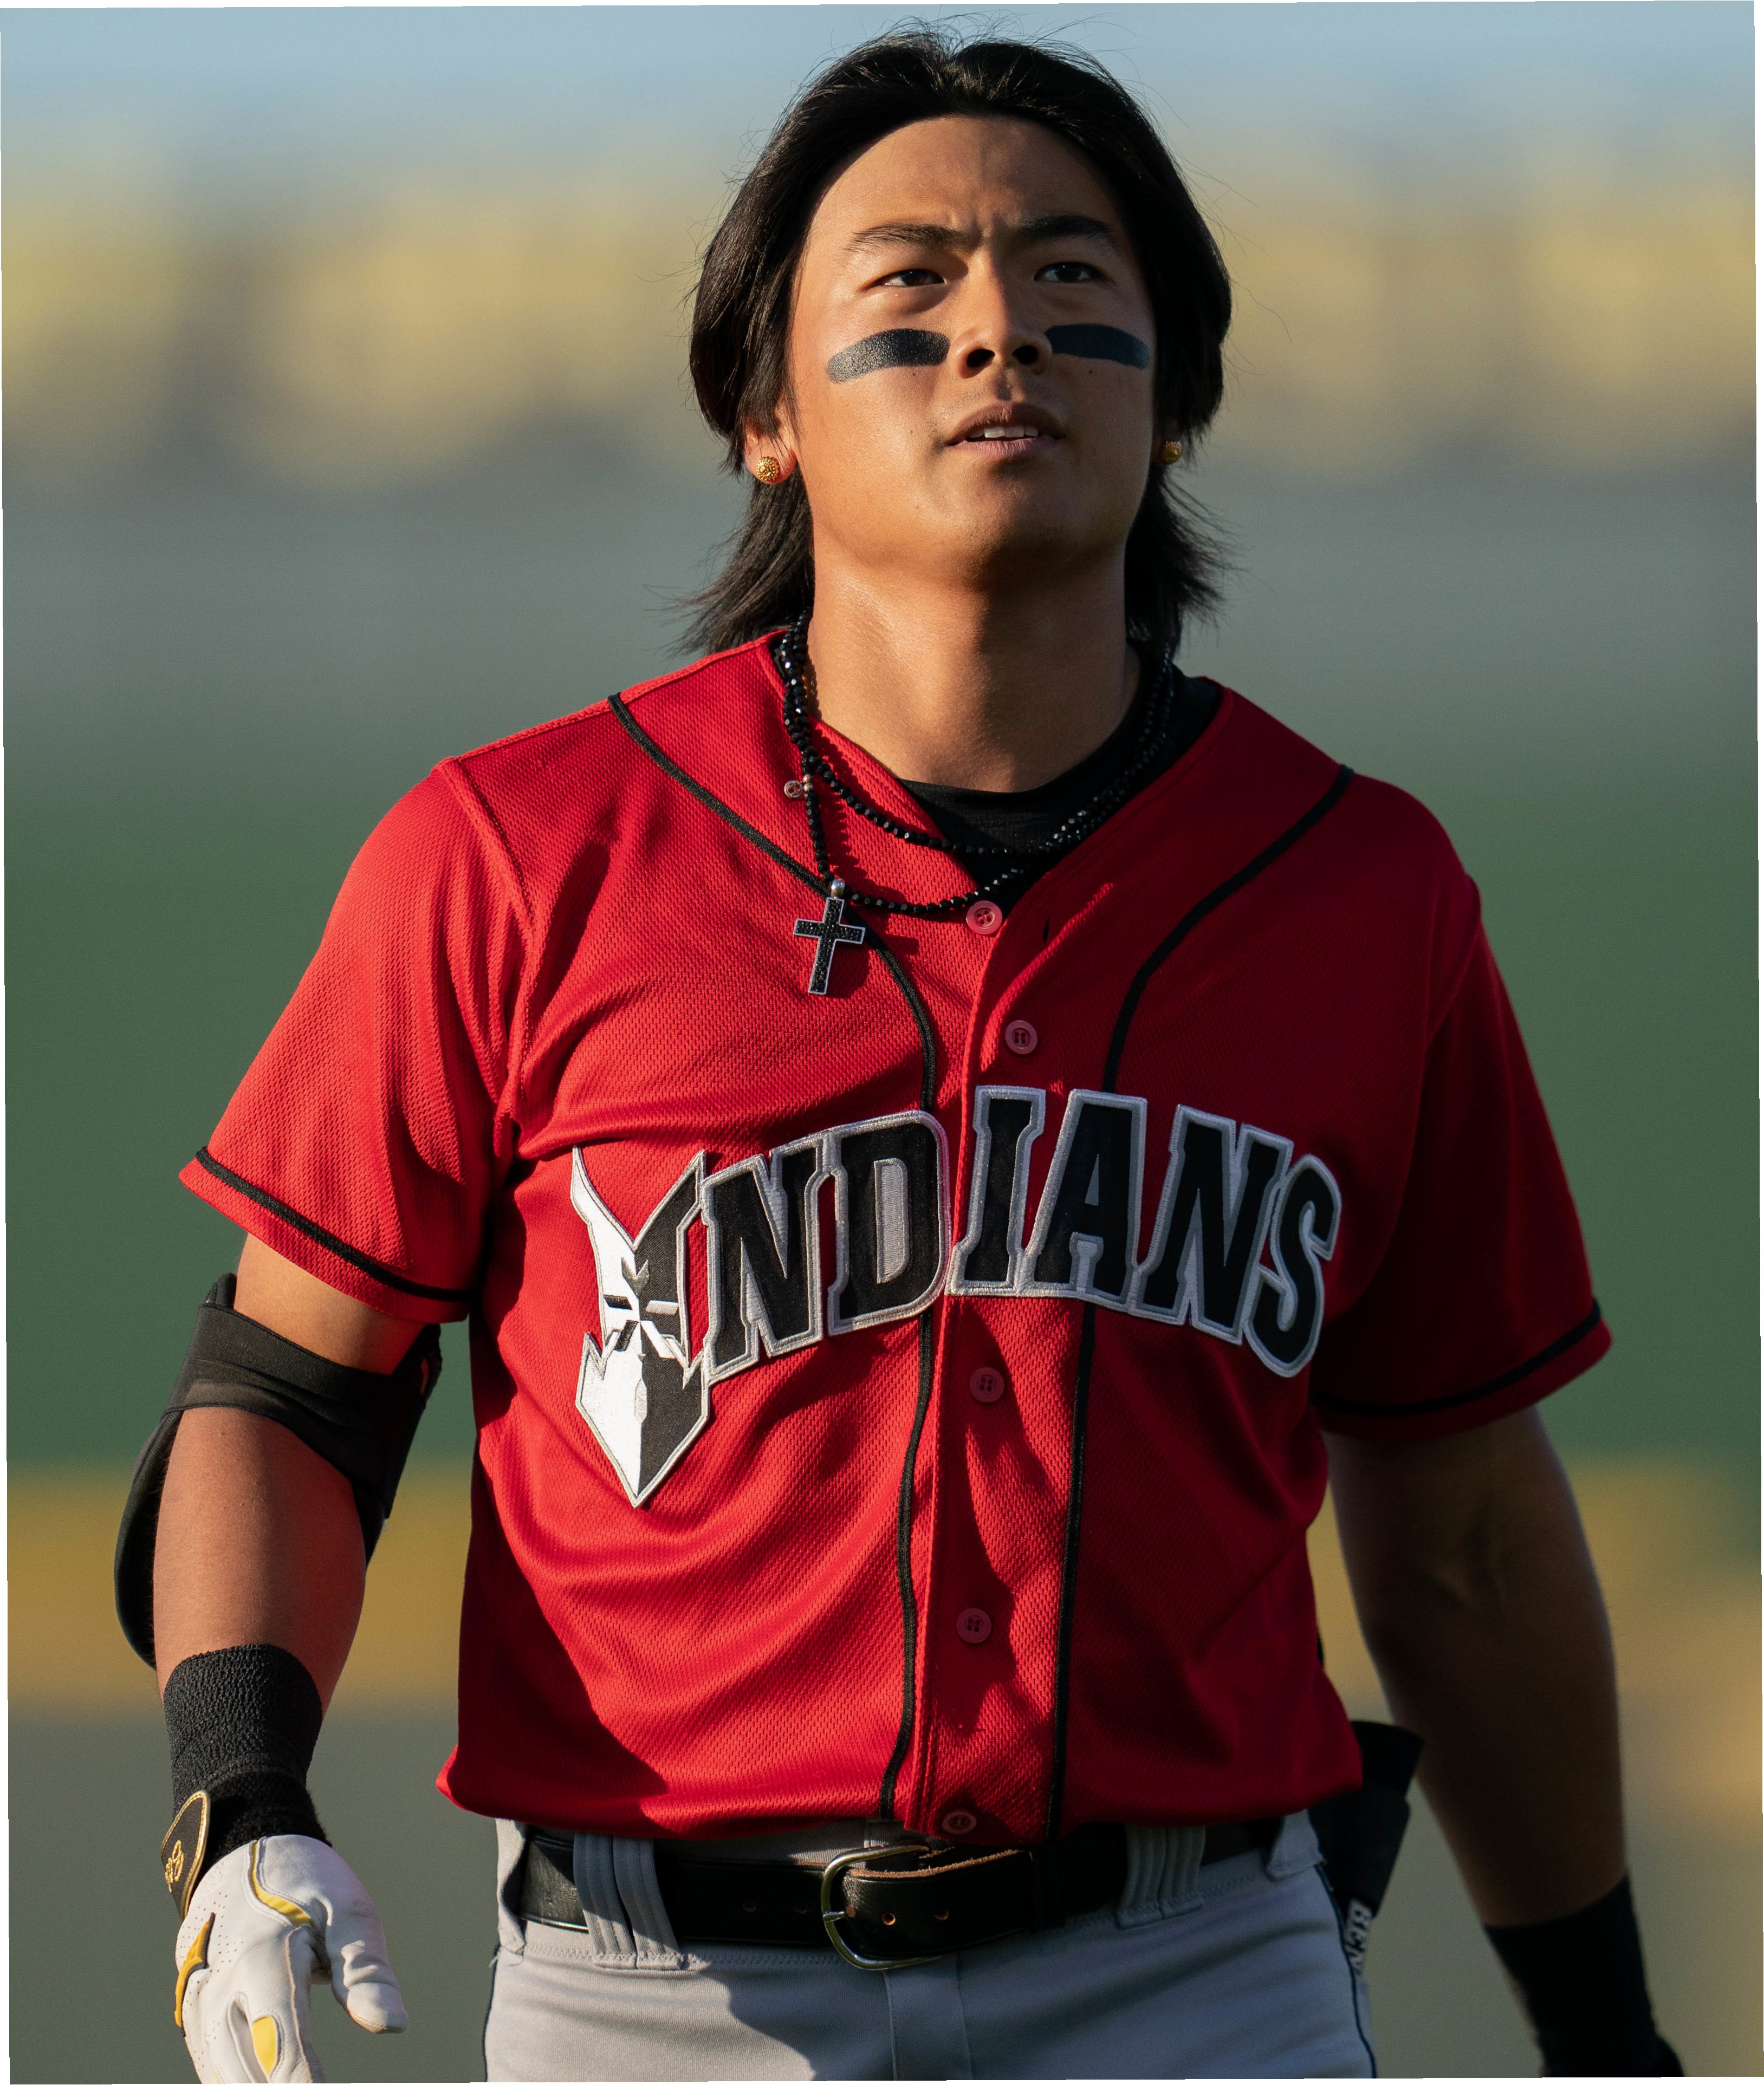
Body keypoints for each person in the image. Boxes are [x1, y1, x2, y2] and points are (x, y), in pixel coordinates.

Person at [118, 30, 1681, 2083]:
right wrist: (240, 1790)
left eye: (1068, 274)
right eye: (910, 284)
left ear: (1176, 392)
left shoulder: (1361, 892)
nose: (998, 331)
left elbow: (1464, 1531)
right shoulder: (515, 853)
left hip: (1198, 1975)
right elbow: (288, 1393)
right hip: (655, 1986)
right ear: (763, 413)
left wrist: (1607, 2035)